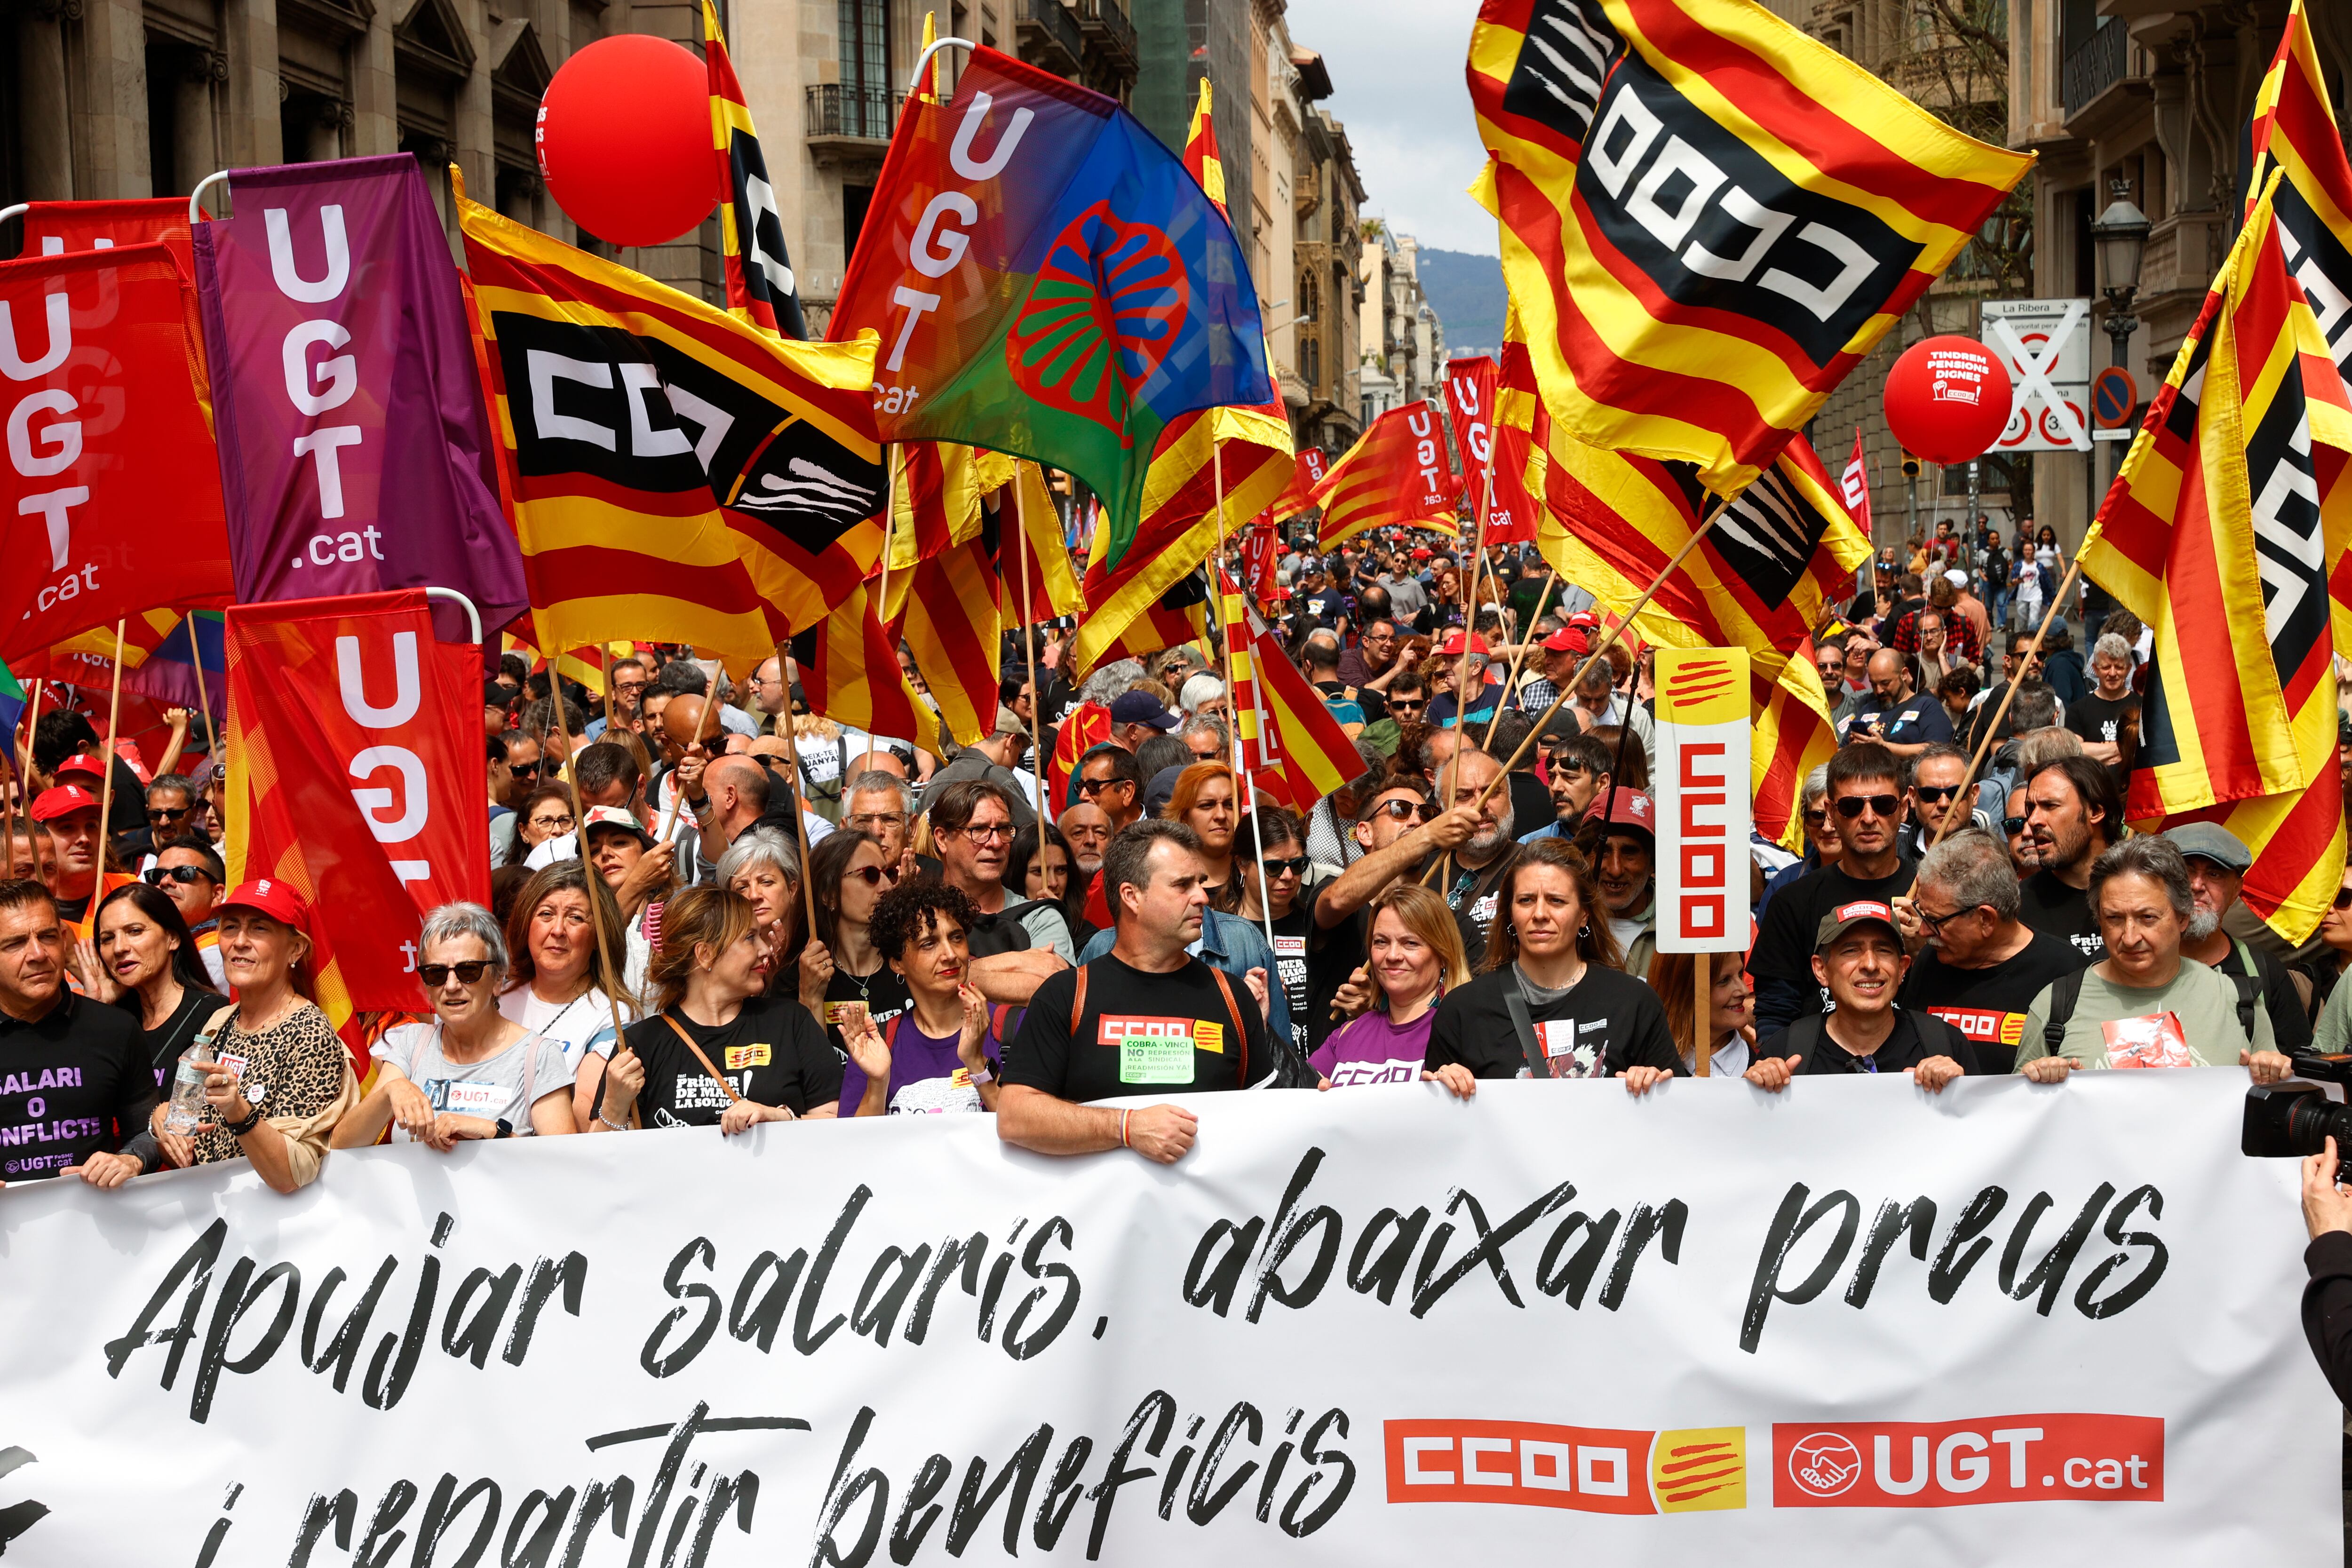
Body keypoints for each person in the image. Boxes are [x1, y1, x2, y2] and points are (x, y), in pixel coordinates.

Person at [1000, 821, 1276, 1163]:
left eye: (1201, 883)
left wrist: (1324, 1106)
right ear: (1132, 896)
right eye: (1182, 885)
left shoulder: (1232, 996)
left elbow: (1268, 1117)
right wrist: (1127, 1127)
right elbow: (1015, 1115)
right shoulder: (1067, 994)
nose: (1202, 896)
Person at [142, 880, 359, 1193]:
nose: (240, 941)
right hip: (214, 1220)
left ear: (296, 948)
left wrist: (238, 1110)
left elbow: (292, 1175)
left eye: (259, 929)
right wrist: (162, 1125)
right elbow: (193, 1152)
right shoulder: (219, 1022)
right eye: (230, 927)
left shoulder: (310, 1032)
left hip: (276, 1229)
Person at [2016, 837, 2288, 1080]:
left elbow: (2273, 1103)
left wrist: (2272, 1072)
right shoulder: (2055, 1007)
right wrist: (2040, 1083)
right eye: (2114, 919)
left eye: (2148, 918)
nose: (2130, 937)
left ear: (2183, 918)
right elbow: (2017, 1116)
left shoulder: (2237, 1000)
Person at [1421, 837, 1677, 1085]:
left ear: (1584, 915)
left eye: (1556, 901)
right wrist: (1443, 1088)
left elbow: (1680, 1115)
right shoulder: (1463, 1010)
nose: (1540, 914)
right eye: (1526, 900)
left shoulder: (1634, 1004)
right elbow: (1437, 1124)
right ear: (1510, 913)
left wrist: (1654, 1087)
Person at [591, 886, 844, 1131]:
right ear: (706, 954)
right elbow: (599, 1163)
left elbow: (842, 1121)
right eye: (750, 938)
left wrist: (780, 1118)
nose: (765, 949)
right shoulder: (641, 1044)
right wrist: (614, 1106)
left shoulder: (790, 1022)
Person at [334, 903, 575, 1148]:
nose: (451, 986)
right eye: (436, 973)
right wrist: (389, 1093)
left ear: (497, 979)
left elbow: (565, 1167)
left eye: (468, 970)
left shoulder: (538, 1056)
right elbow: (342, 1144)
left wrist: (491, 1132)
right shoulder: (413, 1042)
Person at [1748, 743, 1916, 1034]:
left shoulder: (1934, 900)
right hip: (1815, 1071)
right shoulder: (1792, 903)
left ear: (1903, 809)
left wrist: (1923, 952)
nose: (1868, 818)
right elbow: (1775, 1014)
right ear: (1831, 812)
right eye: (1852, 806)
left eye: (1883, 805)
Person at [0, 879, 155, 1186]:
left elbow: (149, 1131)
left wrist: (131, 1159)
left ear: (63, 938)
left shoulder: (117, 1029)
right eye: (15, 943)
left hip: (96, 1224)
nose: (38, 954)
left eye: (47, 937)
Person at [1894, 829, 2086, 1073]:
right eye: (1923, 914)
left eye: (1935, 921)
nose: (1923, 932)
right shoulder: (1931, 962)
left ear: (1985, 919)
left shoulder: (2068, 975)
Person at [1750, 901, 1976, 1087]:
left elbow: (1982, 1132)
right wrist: (1752, 1095)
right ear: (1821, 969)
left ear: (1902, 969)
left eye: (1883, 950)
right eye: (1851, 950)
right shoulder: (1784, 1051)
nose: (1870, 964)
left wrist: (1960, 1093)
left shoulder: (1945, 1044)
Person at [838, 879, 1002, 1115]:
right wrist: (877, 1083)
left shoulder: (1007, 1026)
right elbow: (852, 1148)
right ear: (897, 963)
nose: (949, 954)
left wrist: (977, 1062)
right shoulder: (879, 1043)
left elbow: (1026, 1131)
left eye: (957, 937)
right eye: (929, 944)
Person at [499, 860, 638, 1127]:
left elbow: (584, 1121)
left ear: (599, 936)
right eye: (546, 914)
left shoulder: (613, 1016)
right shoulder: (493, 1001)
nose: (558, 930)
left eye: (575, 917)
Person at [2166, 822, 2313, 1055]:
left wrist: (2275, 1066)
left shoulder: (2265, 972)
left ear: (2236, 890)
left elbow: (2298, 1068)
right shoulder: (2130, 962)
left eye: (2214, 874)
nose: (2196, 885)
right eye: (2187, 871)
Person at [1308, 883, 1470, 1089]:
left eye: (1410, 943)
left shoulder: (1467, 1031)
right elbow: (1293, 1095)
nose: (1392, 956)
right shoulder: (1348, 1032)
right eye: (1381, 942)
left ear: (1444, 955)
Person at [79, 882, 221, 1093]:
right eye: (108, 939)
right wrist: (98, 1008)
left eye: (135, 931)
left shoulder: (213, 1016)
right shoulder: (114, 1022)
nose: (119, 948)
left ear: (172, 938)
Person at [930, 779, 1076, 961]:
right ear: (943, 839)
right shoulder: (920, 914)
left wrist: (947, 971)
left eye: (1004, 829)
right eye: (979, 829)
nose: (997, 843)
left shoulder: (1038, 918)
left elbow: (1050, 978)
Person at [2017, 756, 2119, 962]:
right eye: (2031, 808)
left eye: (2050, 806)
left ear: (2096, 811)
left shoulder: (2142, 896)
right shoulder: (2017, 907)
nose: (2033, 820)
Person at [716, 826, 809, 993]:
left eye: (766, 882)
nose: (754, 895)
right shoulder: (720, 961)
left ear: (793, 889)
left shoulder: (814, 948)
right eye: (742, 887)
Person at [1644, 948, 1755, 1078]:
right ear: (1683, 992)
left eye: (1740, 974)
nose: (1744, 990)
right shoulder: (1646, 1072)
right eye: (1724, 980)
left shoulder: (1767, 1064)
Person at [1585, 791, 1658, 979]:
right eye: (1604, 851)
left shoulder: (1679, 925)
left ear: (1653, 864)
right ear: (1584, 858)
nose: (1615, 870)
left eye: (1630, 853)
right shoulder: (1561, 922)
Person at [143, 835, 227, 986]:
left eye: (184, 873)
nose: (165, 881)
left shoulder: (222, 953)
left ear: (216, 894)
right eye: (156, 876)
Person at [1164, 763, 1242, 905]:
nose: (1221, 815)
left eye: (1229, 805)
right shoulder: (1168, 884)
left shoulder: (1259, 878)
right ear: (1184, 817)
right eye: (1207, 805)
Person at [2066, 632, 2140, 782]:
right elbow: (2075, 752)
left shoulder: (2143, 707)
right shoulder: (2078, 710)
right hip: (2093, 789)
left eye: (2119, 667)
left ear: (2128, 669)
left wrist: (2097, 753)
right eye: (2106, 667)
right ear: (2095, 668)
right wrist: (2122, 748)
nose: (2112, 673)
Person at [1518, 732, 1613, 844]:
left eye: (1569, 777)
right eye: (1551, 777)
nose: (1556, 787)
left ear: (1602, 783)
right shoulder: (1530, 845)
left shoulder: (1624, 842)